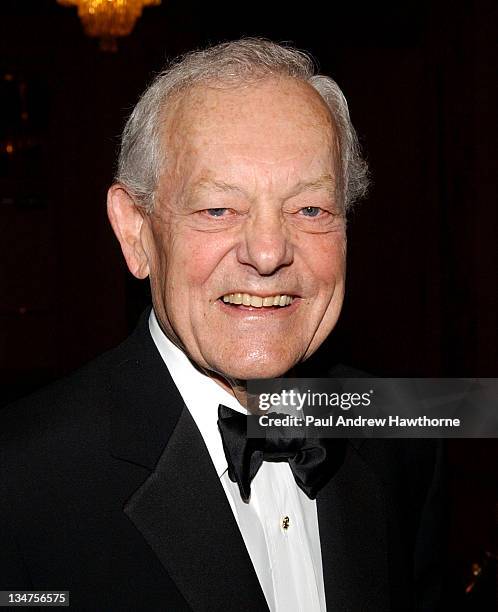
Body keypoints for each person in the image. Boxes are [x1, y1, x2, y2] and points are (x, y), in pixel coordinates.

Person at [0, 39, 444, 611]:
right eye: (217, 209)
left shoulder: (403, 440)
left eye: (310, 209)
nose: (267, 253)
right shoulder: (21, 483)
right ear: (135, 232)